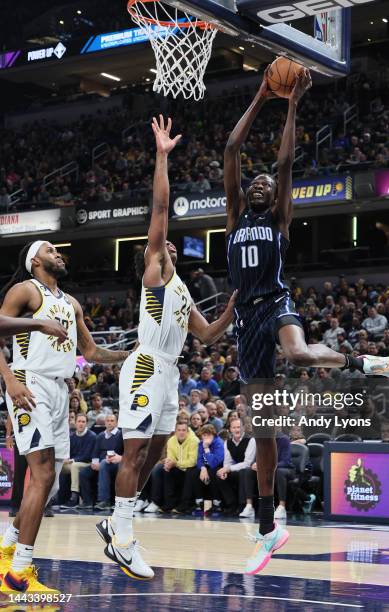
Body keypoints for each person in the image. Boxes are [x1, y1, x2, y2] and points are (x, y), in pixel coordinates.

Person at [224, 67, 389, 574]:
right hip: (245, 320)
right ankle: (266, 529)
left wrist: (291, 106)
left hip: (276, 303)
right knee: (262, 429)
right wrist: (260, 94)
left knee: (300, 353)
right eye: (254, 184)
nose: (260, 184)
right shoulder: (236, 219)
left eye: (266, 184)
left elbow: (283, 164)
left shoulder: (278, 218)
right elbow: (232, 152)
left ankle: (363, 360)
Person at [95, 116, 236, 581]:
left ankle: (117, 519)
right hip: (145, 366)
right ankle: (122, 537)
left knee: (154, 453)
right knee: (135, 453)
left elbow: (210, 335)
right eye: (162, 245)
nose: (169, 245)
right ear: (154, 256)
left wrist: (237, 302)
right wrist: (161, 156)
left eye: (171, 246)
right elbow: (160, 208)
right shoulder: (155, 277)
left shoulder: (183, 292)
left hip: (170, 371)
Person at [0, 240, 128, 593]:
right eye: (51, 250)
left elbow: (90, 351)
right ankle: (18, 573)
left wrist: (129, 353)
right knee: (40, 476)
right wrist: (10, 379)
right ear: (35, 260)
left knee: (51, 483)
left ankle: (8, 547)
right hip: (29, 381)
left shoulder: (71, 303)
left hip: (58, 389)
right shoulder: (25, 290)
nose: (58, 253)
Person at [78, 414, 124, 510]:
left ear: (116, 423)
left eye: (112, 421)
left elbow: (123, 452)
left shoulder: (121, 435)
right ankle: (88, 502)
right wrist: (95, 463)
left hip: (115, 464)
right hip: (101, 464)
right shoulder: (100, 436)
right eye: (108, 421)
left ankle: (104, 500)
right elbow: (95, 453)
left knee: (104, 464)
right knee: (83, 473)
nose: (109, 423)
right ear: (105, 422)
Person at [216, 417, 256, 515]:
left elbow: (247, 463)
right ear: (230, 429)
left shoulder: (251, 440)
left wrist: (228, 468)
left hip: (250, 471)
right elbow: (228, 461)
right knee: (219, 474)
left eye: (238, 427)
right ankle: (231, 504)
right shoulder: (228, 442)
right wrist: (225, 470)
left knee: (243, 472)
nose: (237, 430)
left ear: (243, 428)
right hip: (235, 469)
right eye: (234, 428)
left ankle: (242, 505)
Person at [59, 413, 97, 508]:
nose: (81, 424)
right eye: (79, 421)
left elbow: (87, 456)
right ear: (75, 423)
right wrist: (65, 459)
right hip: (74, 463)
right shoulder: (72, 436)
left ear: (87, 424)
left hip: (87, 463)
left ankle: (74, 496)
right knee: (60, 466)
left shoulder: (92, 436)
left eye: (83, 422)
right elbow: (68, 452)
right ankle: (59, 496)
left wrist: (72, 460)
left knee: (74, 466)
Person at [161, 421, 199, 512]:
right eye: (179, 430)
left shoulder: (194, 441)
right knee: (167, 470)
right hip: (180, 467)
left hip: (193, 468)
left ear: (188, 431)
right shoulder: (171, 440)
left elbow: (192, 461)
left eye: (183, 430)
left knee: (190, 471)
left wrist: (176, 463)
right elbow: (171, 457)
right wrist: (168, 463)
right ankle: (169, 503)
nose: (181, 432)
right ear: (175, 431)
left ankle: (185, 505)